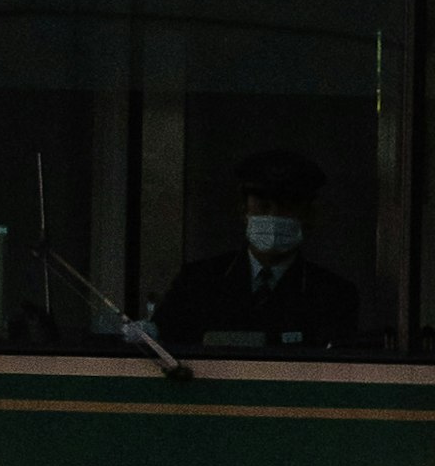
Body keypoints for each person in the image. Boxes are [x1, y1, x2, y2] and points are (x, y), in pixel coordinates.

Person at [154, 149, 365, 357]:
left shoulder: (333, 294)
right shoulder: (198, 282)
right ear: (244, 211)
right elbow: (164, 346)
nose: (273, 216)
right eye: (263, 207)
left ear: (308, 215)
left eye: (286, 208)